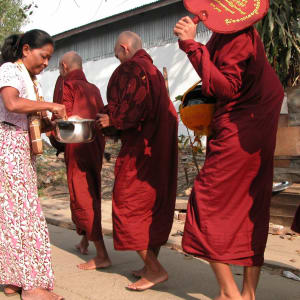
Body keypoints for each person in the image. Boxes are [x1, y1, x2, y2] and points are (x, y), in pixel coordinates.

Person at [174, 4, 284, 300]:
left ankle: (231, 294)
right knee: (252, 203)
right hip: (252, 125)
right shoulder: (231, 33)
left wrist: (190, 45)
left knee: (206, 200)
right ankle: (247, 294)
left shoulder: (237, 38)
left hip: (242, 128)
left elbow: (225, 88)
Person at [96, 31, 178, 291]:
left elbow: (134, 108)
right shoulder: (151, 70)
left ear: (123, 48)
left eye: (117, 55)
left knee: (127, 203)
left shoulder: (133, 68)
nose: (118, 60)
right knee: (151, 206)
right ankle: (149, 264)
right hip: (160, 148)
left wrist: (112, 121)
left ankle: (155, 270)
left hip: (142, 149)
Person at [0, 30, 66, 300]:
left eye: (50, 58)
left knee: (12, 216)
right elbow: (12, 103)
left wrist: (50, 123)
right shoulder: (9, 70)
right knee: (23, 218)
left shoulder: (29, 79)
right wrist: (51, 104)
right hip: (9, 149)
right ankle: (31, 286)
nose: (46, 63)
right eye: (43, 56)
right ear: (26, 49)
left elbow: (29, 116)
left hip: (19, 150)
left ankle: (12, 279)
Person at [57, 51, 111, 270]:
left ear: (64, 66)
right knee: (91, 190)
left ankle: (102, 255)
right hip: (95, 145)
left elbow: (63, 116)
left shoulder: (67, 85)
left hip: (77, 145)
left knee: (81, 195)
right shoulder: (93, 88)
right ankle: (84, 241)